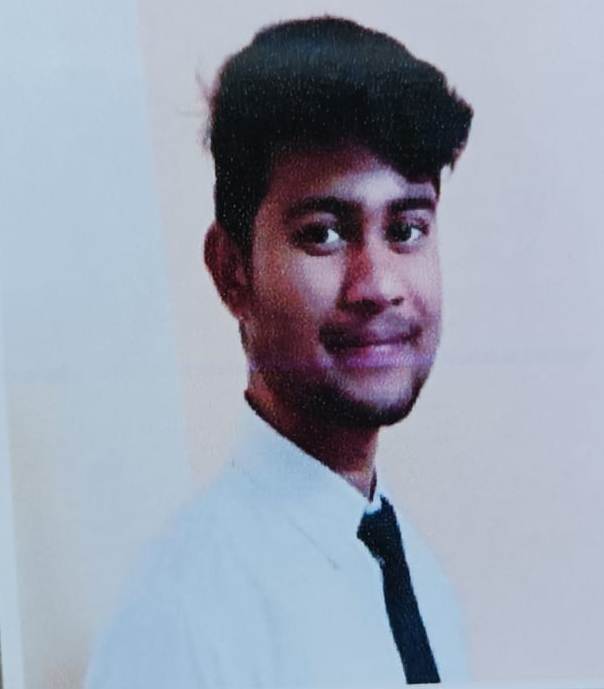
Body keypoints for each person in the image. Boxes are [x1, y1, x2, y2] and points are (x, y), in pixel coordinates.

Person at [86, 16, 473, 688]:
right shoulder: (181, 620)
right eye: (323, 233)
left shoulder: (425, 584)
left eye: (407, 229)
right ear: (233, 271)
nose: (378, 284)